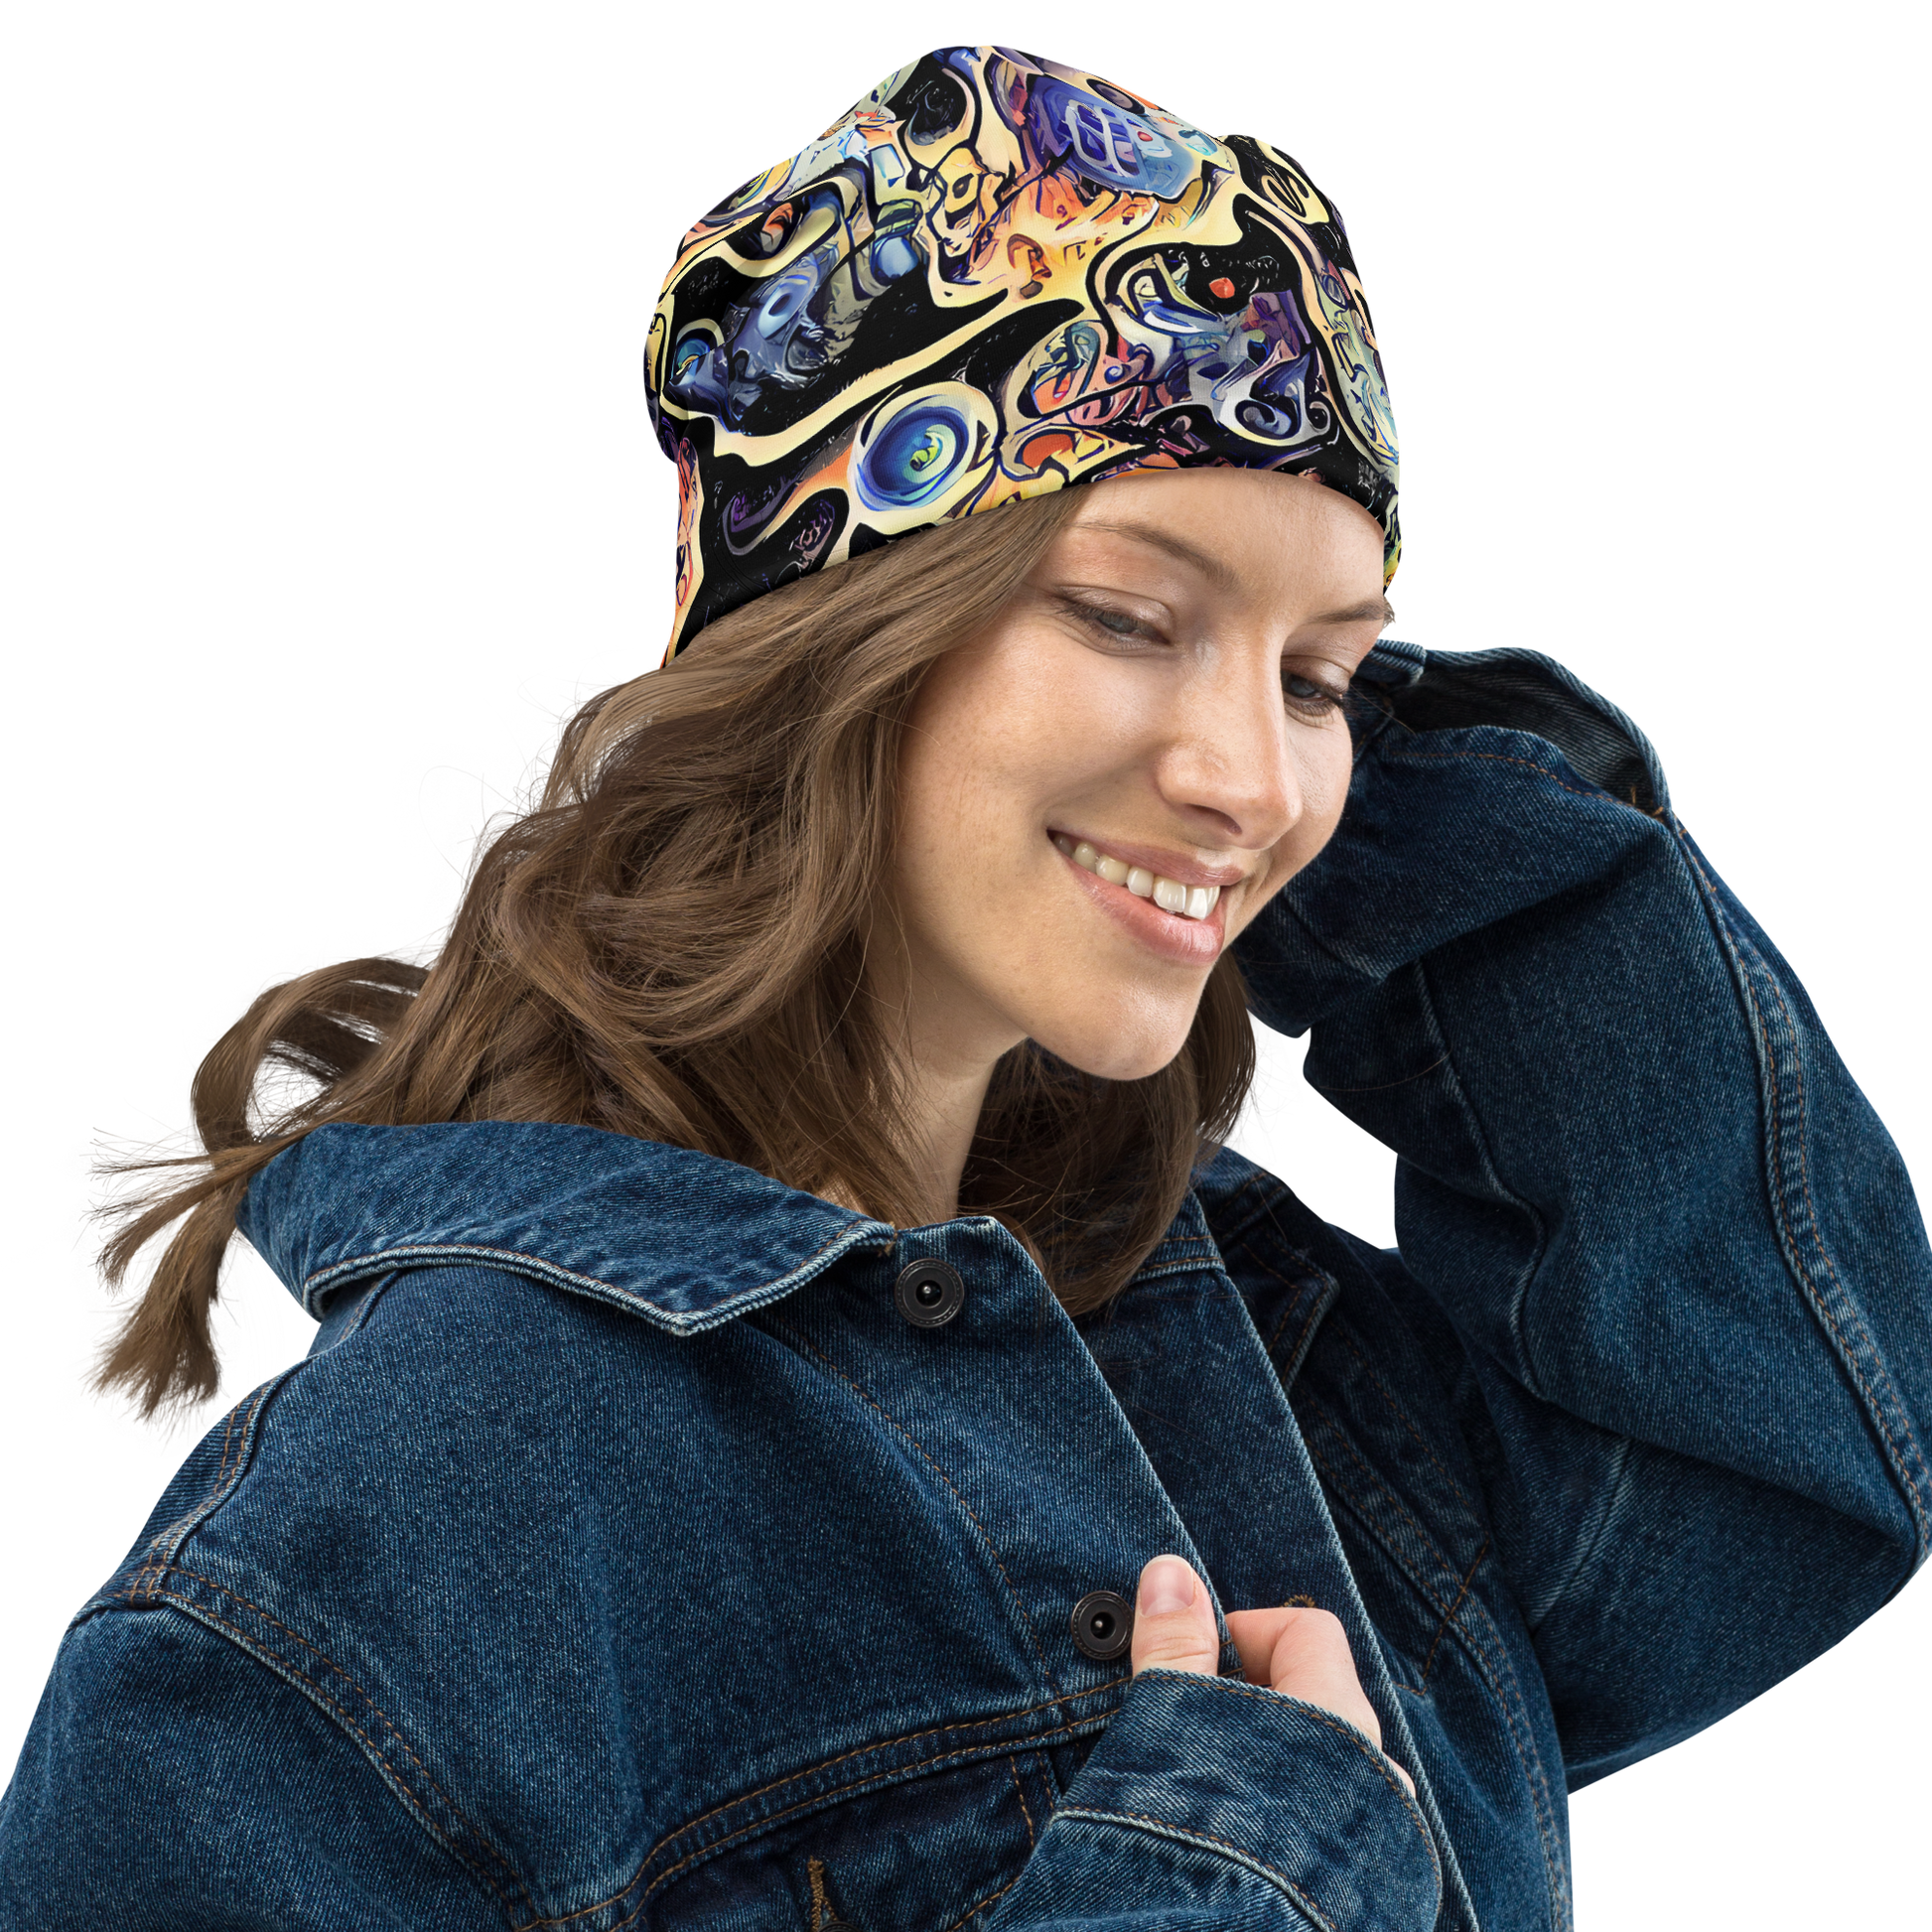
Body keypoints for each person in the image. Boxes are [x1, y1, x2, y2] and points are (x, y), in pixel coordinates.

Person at [3, 41, 1925, 1930]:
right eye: (1126, 613)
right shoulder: (314, 1610)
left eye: (1317, 677)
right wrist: (1227, 1875)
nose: (1259, 780)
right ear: (835, 643)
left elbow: (1763, 1462)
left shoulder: (1253, 1328)